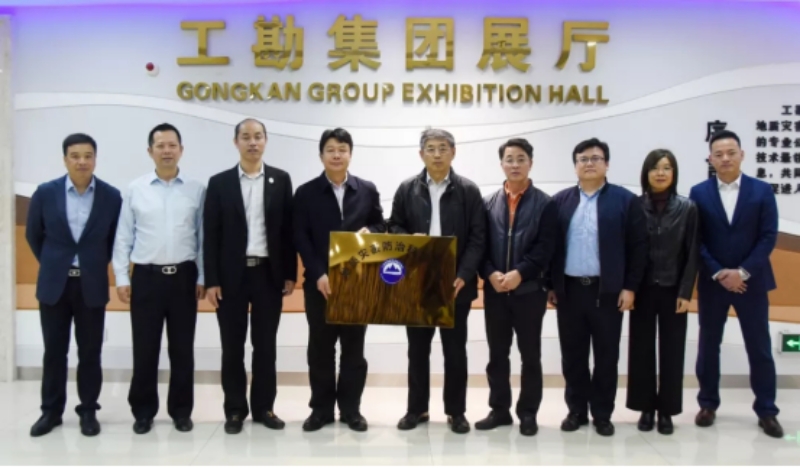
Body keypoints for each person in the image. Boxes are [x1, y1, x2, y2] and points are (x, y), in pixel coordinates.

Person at [549, 138, 648, 437]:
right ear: (575, 166)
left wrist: (630, 287)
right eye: (583, 159)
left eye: (595, 158)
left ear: (607, 164)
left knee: (606, 355)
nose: (589, 163)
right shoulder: (560, 201)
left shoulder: (625, 200)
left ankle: (602, 414)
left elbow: (638, 247)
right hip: (569, 291)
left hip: (607, 292)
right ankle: (576, 411)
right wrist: (551, 285)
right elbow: (551, 248)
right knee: (573, 355)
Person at [389, 128, 485, 434]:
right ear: (421, 154)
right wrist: (410, 239)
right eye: (430, 149)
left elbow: (478, 239)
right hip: (417, 284)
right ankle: (416, 409)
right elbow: (393, 227)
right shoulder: (407, 189)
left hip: (456, 285)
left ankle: (456, 412)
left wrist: (463, 275)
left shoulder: (468, 191)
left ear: (453, 152)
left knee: (455, 352)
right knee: (417, 350)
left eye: (443, 148)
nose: (437, 154)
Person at [203, 118, 297, 435]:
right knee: (232, 347)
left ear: (266, 141)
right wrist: (212, 280)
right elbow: (211, 235)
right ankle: (234, 410)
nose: (252, 142)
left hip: (268, 274)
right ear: (236, 142)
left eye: (258, 136)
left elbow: (287, 231)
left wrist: (289, 273)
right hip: (231, 276)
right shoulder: (219, 183)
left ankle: (264, 408)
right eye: (246, 137)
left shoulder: (281, 179)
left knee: (265, 346)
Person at [26, 133, 122, 437]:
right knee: (54, 351)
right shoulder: (45, 193)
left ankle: (88, 411)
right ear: (65, 159)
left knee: (90, 352)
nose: (82, 161)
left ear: (95, 159)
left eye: (88, 156)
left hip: (91, 285)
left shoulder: (111, 196)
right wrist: (55, 263)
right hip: (55, 284)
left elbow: (113, 241)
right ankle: (51, 412)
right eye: (75, 156)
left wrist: (92, 264)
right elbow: (33, 234)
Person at [689, 130, 783, 438]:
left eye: (731, 152)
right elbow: (696, 239)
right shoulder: (699, 192)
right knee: (708, 345)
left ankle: (767, 410)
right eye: (719, 154)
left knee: (759, 347)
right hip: (713, 283)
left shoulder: (762, 191)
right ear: (710, 159)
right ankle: (707, 404)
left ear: (742, 155)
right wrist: (719, 273)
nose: (725, 158)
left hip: (751, 283)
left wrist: (741, 273)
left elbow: (768, 236)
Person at [112, 123, 205, 434]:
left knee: (182, 349)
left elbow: (202, 238)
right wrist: (122, 277)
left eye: (172, 145)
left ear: (181, 149)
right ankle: (143, 411)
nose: (167, 151)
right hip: (146, 278)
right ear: (150, 151)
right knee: (145, 348)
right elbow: (123, 237)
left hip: (184, 278)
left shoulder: (196, 189)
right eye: (160, 146)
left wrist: (203, 276)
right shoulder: (135, 189)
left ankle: (181, 411)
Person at [293, 128, 386, 432]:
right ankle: (320, 410)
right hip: (318, 283)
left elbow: (380, 224)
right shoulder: (306, 193)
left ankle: (350, 410)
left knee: (354, 350)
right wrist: (318, 273)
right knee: (320, 349)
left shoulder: (367, 190)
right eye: (331, 150)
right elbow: (301, 237)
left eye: (342, 149)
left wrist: (372, 231)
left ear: (350, 154)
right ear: (321, 155)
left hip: (357, 283)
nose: (337, 155)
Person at [476, 138, 558, 437]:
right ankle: (499, 410)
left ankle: (528, 412)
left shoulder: (546, 204)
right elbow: (479, 245)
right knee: (497, 355)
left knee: (530, 355)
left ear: (530, 163)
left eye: (521, 159)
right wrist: (490, 273)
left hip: (529, 292)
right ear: (501, 164)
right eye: (509, 159)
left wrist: (520, 273)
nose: (515, 164)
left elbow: (546, 248)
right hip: (496, 292)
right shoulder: (487, 203)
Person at [626, 149, 698, 435]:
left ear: (674, 173)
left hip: (673, 290)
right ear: (646, 173)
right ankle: (645, 407)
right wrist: (629, 287)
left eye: (667, 168)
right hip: (642, 290)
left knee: (672, 350)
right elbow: (629, 250)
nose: (660, 173)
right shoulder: (634, 205)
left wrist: (686, 292)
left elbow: (692, 252)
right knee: (641, 350)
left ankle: (666, 410)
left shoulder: (687, 208)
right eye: (655, 168)